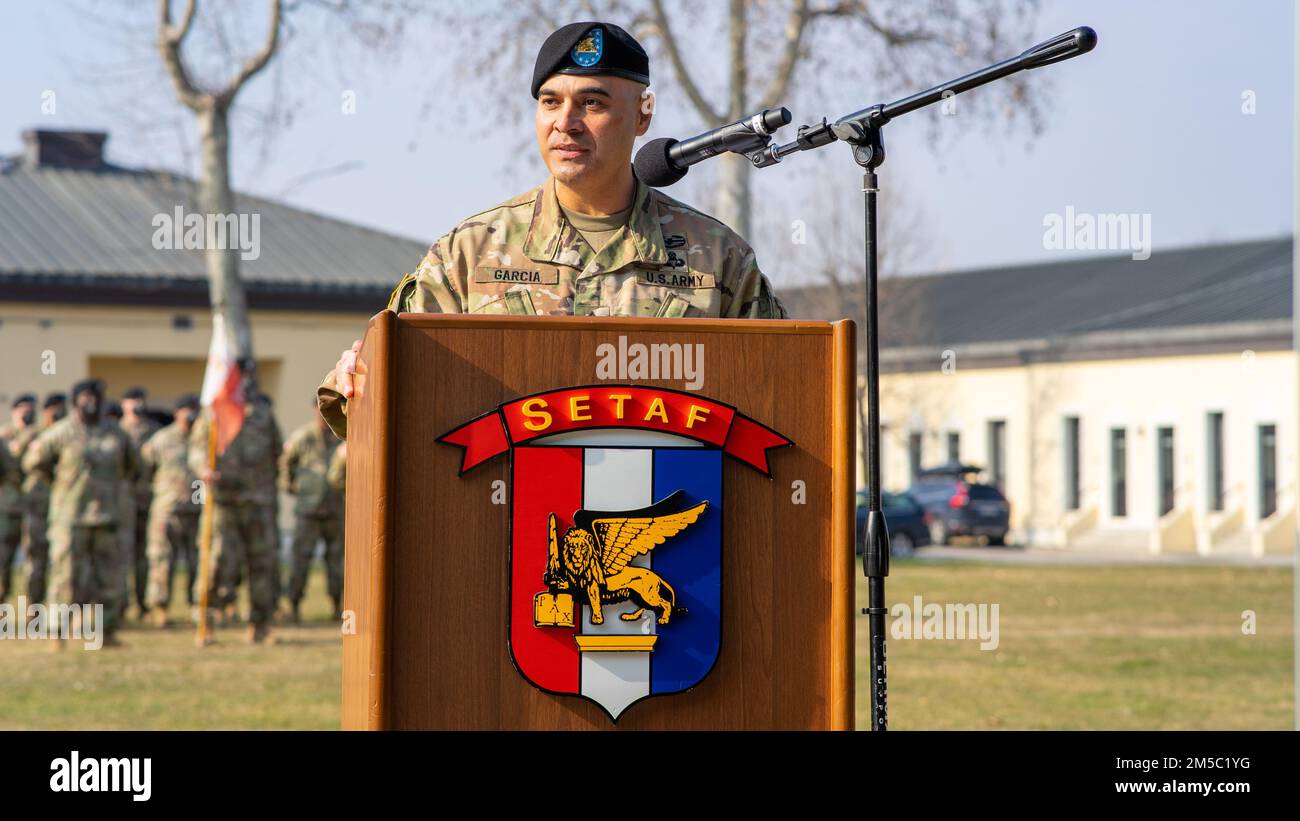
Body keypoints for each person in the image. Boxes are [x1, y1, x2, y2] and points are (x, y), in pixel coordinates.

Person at [316, 21, 787, 440]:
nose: (566, 123)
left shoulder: (718, 257)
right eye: (550, 102)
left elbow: (781, 396)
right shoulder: (469, 253)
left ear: (643, 114)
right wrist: (357, 380)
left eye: (592, 103)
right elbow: (373, 407)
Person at [22, 380, 140, 647]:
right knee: (65, 577)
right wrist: (60, 483)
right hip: (70, 517)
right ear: (75, 401)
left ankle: (105, 631)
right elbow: (33, 462)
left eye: (95, 397)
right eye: (85, 397)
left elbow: (134, 466)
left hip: (106, 516)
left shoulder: (116, 434)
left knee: (107, 578)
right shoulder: (61, 433)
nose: (90, 402)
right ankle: (57, 633)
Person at [188, 383, 283, 644]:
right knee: (216, 563)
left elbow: (277, 452)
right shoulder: (213, 412)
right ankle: (206, 623)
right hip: (223, 503)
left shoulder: (263, 416)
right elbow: (196, 449)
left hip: (257, 502)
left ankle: (260, 625)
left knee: (262, 564)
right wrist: (203, 469)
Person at [140, 394, 202, 627]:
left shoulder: (205, 438)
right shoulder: (161, 439)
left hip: (198, 509)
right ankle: (160, 607)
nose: (190, 414)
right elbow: (143, 470)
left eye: (194, 409)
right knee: (162, 560)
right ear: (177, 413)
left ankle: (198, 605)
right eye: (186, 409)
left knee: (198, 561)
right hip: (167, 509)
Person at [280, 400, 344, 622]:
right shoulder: (303, 437)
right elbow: (286, 463)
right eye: (319, 410)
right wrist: (292, 487)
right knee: (300, 560)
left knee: (337, 561)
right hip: (308, 510)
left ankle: (338, 605)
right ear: (314, 411)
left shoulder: (342, 435)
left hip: (336, 509)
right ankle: (293, 605)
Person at [118, 387, 160, 620]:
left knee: (144, 555)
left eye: (139, 400)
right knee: (121, 553)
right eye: (131, 400)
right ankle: (121, 603)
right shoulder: (115, 431)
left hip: (147, 500)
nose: (136, 405)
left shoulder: (155, 432)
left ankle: (142, 604)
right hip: (122, 501)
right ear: (123, 404)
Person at [0, 394, 37, 602]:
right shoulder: (4, 436)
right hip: (9, 505)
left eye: (30, 408)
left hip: (36, 506)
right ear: (14, 411)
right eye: (22, 408)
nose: (27, 413)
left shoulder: (41, 434)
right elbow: (10, 464)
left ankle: (34, 606)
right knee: (4, 556)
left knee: (36, 557)